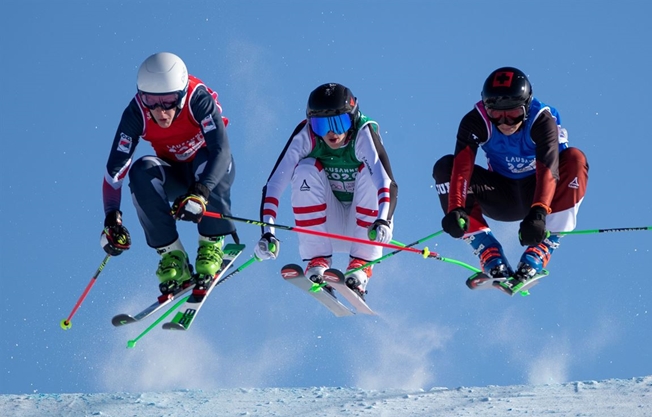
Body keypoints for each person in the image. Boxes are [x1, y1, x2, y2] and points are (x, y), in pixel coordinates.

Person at [100, 52, 238, 294]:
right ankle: (171, 254)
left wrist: (201, 191)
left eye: (169, 101)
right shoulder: (136, 114)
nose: (160, 110)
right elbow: (115, 170)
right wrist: (112, 218)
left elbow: (221, 150)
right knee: (141, 171)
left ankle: (211, 242)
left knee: (206, 158)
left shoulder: (198, 99)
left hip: (209, 172)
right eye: (151, 101)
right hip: (175, 175)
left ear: (182, 95)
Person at [433, 67, 589, 281]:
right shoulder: (476, 120)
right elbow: (462, 168)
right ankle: (486, 249)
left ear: (526, 106)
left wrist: (539, 212)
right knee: (445, 166)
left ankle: (545, 245)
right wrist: (456, 207)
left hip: (540, 195)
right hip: (500, 195)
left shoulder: (542, 120)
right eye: (496, 114)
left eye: (513, 114)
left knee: (575, 159)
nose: (505, 122)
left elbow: (549, 170)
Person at [254, 83, 398, 298]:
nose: (331, 132)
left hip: (368, 229)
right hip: (326, 226)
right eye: (321, 125)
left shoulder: (363, 133)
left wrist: (383, 219)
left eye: (339, 123)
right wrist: (267, 232)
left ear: (353, 118)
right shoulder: (305, 136)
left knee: (369, 174)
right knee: (304, 170)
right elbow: (274, 184)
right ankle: (317, 260)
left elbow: (386, 182)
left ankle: (360, 265)